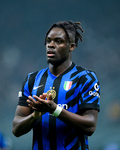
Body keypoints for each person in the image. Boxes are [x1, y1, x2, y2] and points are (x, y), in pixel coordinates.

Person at [12, 20, 100, 150]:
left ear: (71, 46)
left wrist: (55, 110)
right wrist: (35, 116)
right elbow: (16, 129)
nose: (51, 45)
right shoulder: (32, 79)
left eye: (58, 41)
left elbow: (90, 126)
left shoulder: (85, 78)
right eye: (48, 41)